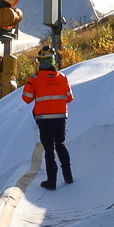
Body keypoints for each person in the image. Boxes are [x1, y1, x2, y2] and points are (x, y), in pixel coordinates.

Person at [22, 53, 74, 191]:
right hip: (60, 118)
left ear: (41, 62)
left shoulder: (35, 79)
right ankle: (68, 176)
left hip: (44, 119)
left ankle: (52, 181)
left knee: (49, 149)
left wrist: (31, 82)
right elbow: (69, 98)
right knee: (61, 145)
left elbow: (26, 98)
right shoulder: (63, 77)